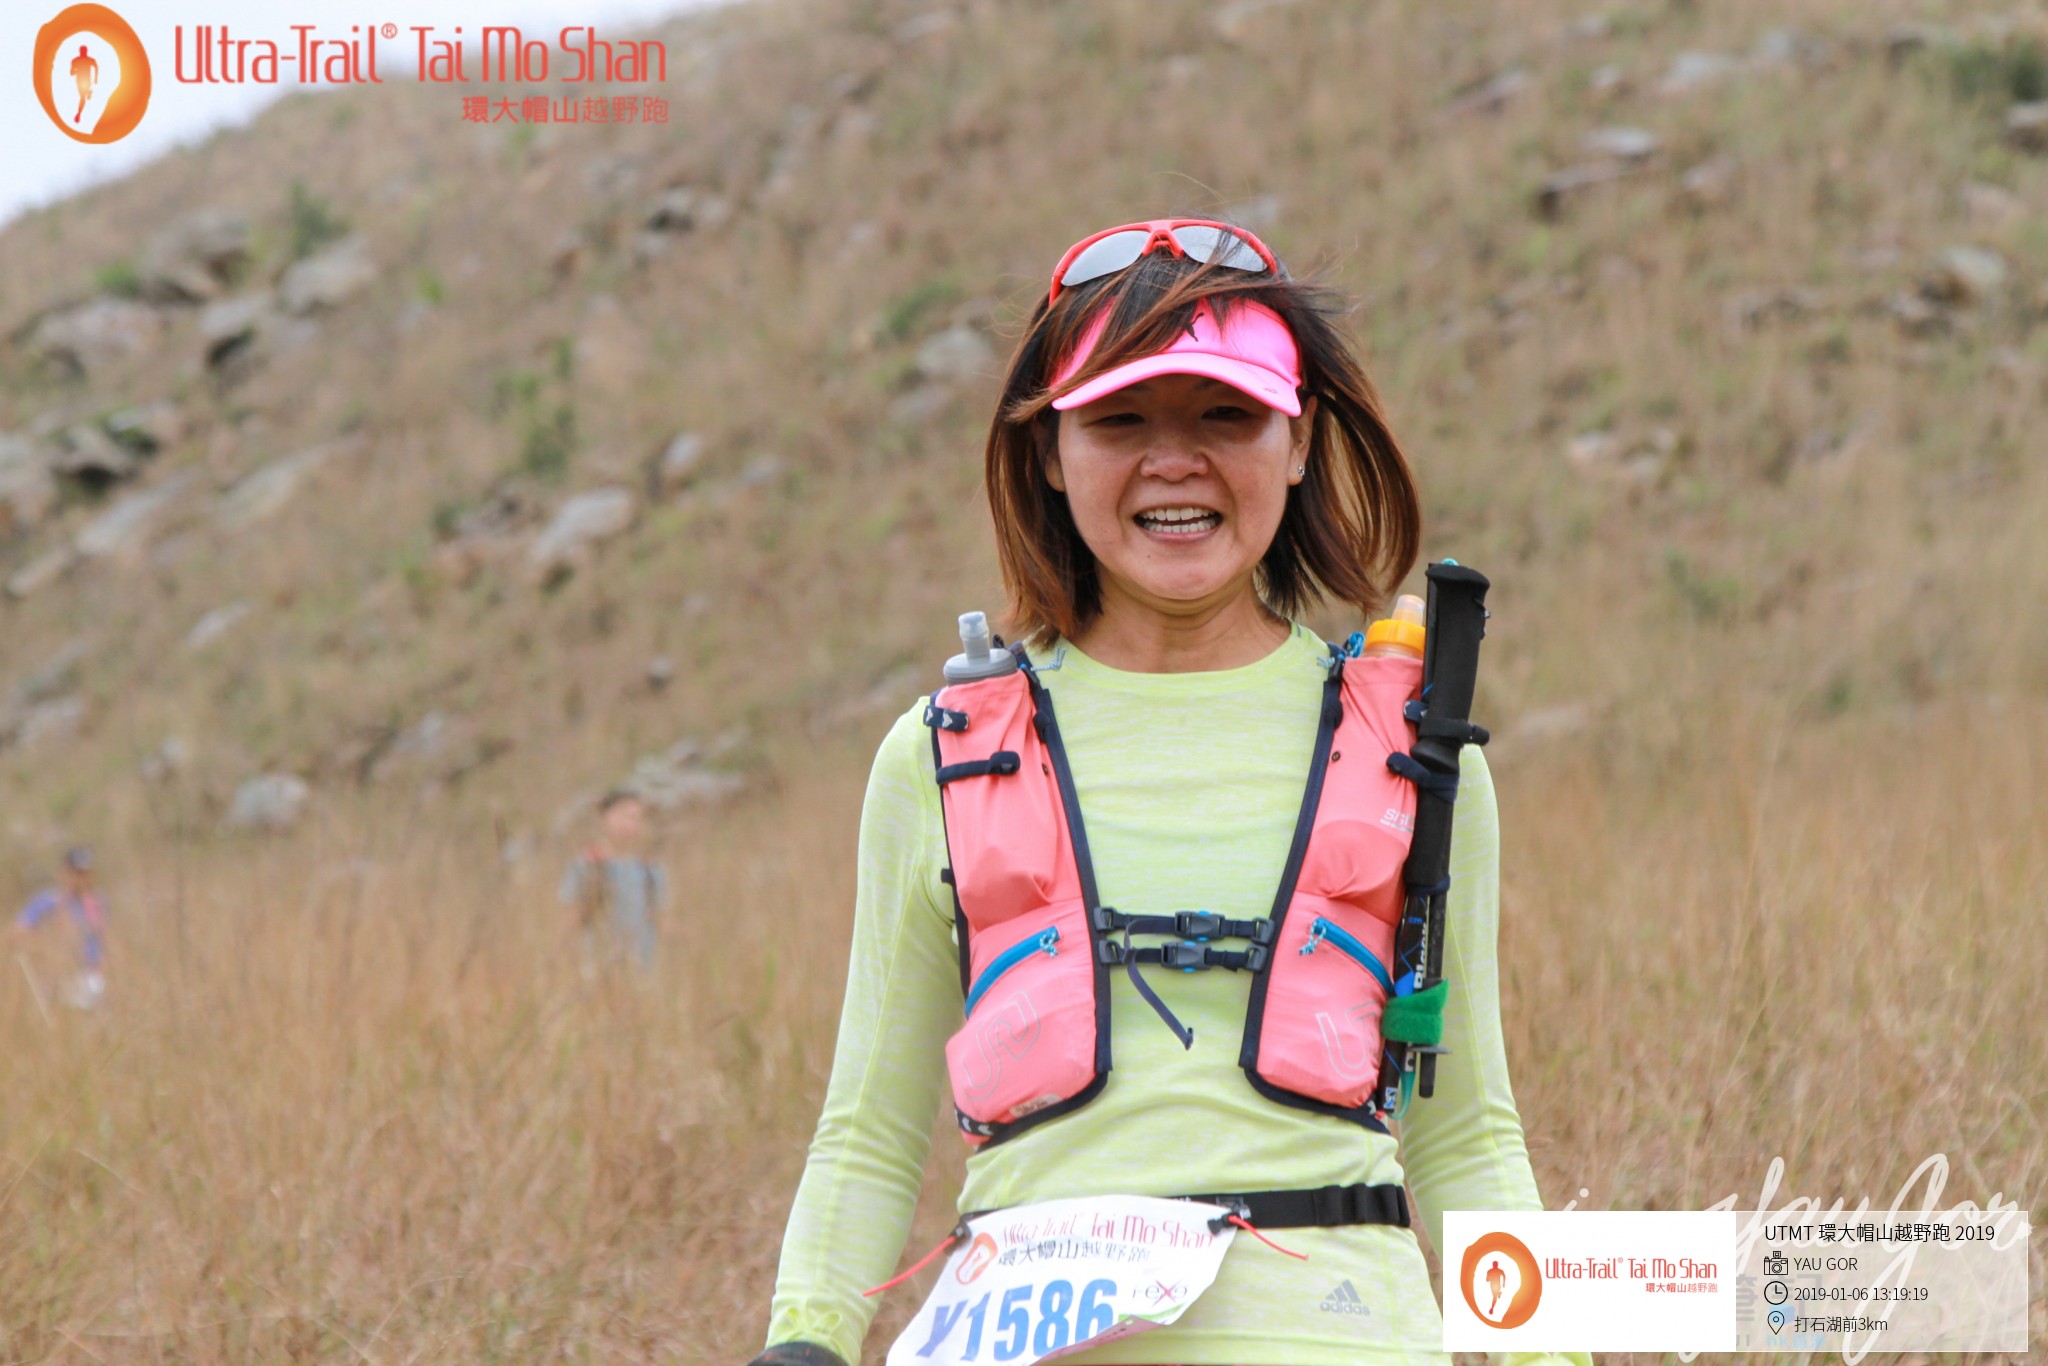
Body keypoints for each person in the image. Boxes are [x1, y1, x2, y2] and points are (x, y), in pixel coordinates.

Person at [751, 218, 1588, 1366]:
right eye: (1119, 420)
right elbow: (866, 1135)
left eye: (1225, 417)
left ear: (1297, 444)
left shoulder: (1418, 760)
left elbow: (1466, 1139)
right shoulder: (935, 756)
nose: (1173, 462)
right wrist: (805, 1339)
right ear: (1051, 450)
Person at [557, 789, 666, 973]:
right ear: (603, 817)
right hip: (597, 968)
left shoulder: (651, 869)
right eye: (623, 816)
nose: (629, 824)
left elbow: (660, 919)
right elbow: (570, 918)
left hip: (641, 969)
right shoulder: (585, 866)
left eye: (636, 818)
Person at [9, 845, 108, 1010]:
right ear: (64, 872)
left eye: (85, 873)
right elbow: (18, 930)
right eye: (76, 872)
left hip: (92, 976)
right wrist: (48, 945)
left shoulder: (97, 902)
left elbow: (102, 944)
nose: (81, 878)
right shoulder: (50, 900)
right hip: (62, 976)